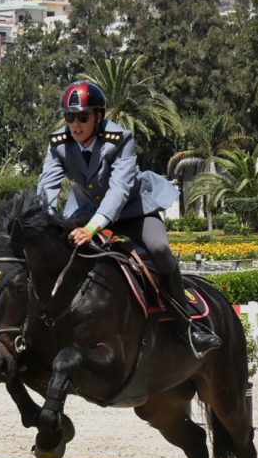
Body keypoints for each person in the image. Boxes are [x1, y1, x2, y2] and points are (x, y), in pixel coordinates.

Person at [37, 80, 221, 357]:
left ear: (98, 117)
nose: (75, 124)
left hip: (134, 210)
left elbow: (119, 191)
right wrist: (46, 224)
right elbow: (47, 187)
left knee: (158, 248)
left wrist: (91, 228)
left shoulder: (120, 139)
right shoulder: (59, 143)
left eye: (82, 117)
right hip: (84, 212)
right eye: (69, 117)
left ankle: (188, 326)